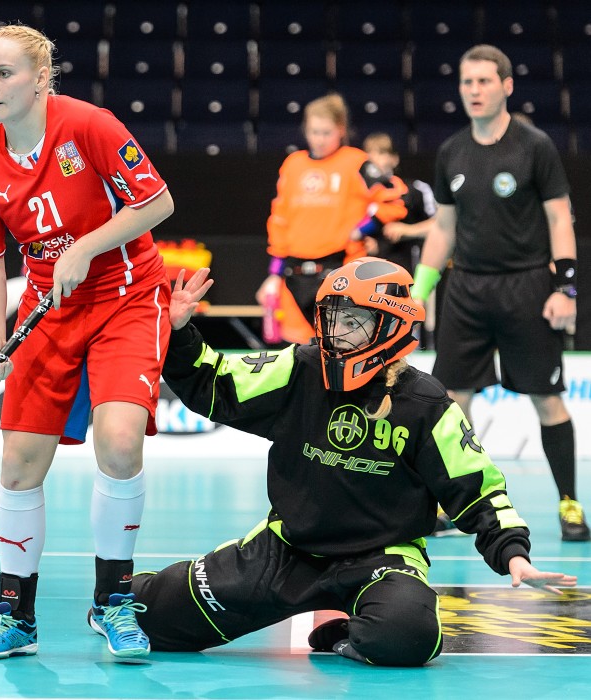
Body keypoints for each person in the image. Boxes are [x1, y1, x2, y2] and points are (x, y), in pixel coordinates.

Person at [129, 258, 578, 666]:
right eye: (331, 317)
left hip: (383, 558)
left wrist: (514, 556)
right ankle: (120, 592)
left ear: (390, 326)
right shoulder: (299, 368)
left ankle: (347, 635)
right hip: (288, 549)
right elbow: (217, 385)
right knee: (147, 616)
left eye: (354, 321)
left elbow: (477, 487)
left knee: (409, 636)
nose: (336, 332)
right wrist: (181, 331)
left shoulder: (427, 404)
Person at [0, 23, 174, 661]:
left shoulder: (91, 126)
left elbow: (157, 202)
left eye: (4, 73)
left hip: (127, 296)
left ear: (41, 78)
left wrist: (86, 245)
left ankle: (114, 603)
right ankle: (16, 616)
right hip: (48, 310)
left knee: (118, 440)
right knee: (20, 463)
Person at [410, 44, 588, 541]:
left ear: (506, 86)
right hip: (466, 288)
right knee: (450, 402)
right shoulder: (451, 152)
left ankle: (570, 504)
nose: (475, 90)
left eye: (485, 81)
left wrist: (566, 286)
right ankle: (452, 506)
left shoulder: (535, 147)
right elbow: (443, 228)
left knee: (547, 399)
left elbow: (559, 217)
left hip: (527, 287)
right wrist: (421, 291)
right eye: (467, 82)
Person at [258, 95, 407, 345]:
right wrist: (274, 274)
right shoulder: (293, 165)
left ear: (341, 130)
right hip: (294, 274)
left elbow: (394, 199)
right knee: (299, 354)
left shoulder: (356, 162)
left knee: (345, 347)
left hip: (341, 272)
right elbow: (279, 219)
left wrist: (363, 229)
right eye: (314, 132)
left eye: (327, 132)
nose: (320, 139)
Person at [362, 132, 437, 273]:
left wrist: (407, 230)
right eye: (369, 154)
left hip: (408, 271)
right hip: (371, 273)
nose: (374, 159)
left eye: (381, 152)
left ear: (395, 159)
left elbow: (440, 225)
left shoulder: (416, 189)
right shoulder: (359, 194)